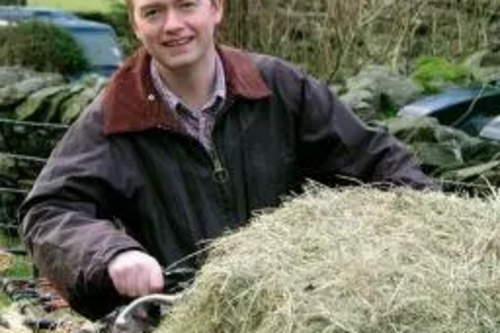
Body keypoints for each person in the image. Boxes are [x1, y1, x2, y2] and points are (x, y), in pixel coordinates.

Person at [20, 0, 435, 320]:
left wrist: (436, 230)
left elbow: (378, 161)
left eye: (187, 5)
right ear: (135, 23)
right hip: (180, 317)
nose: (172, 25)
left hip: (293, 312)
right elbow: (48, 211)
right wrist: (110, 254)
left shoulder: (281, 88)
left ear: (216, 7)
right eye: (153, 11)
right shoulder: (113, 116)